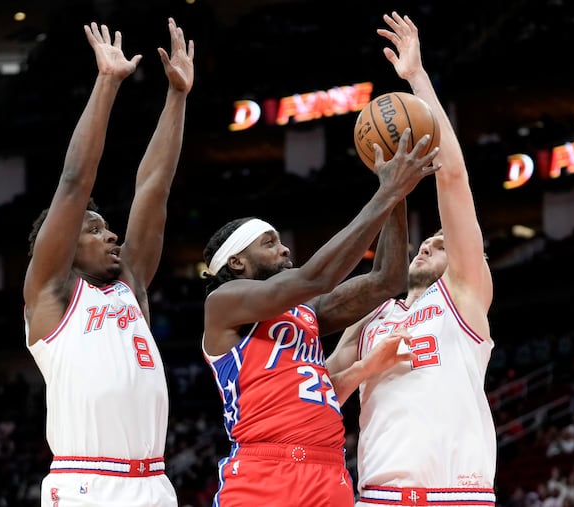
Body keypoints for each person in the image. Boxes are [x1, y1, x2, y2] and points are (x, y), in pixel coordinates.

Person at [200, 123, 440, 506]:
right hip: (265, 472)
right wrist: (386, 191)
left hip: (329, 471)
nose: (284, 251)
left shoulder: (304, 312)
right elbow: (316, 276)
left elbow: (385, 280)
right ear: (237, 261)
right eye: (270, 243)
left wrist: (399, 195)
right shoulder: (223, 303)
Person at [326, 11, 497, 507]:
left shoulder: (464, 296)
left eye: (440, 244)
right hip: (377, 497)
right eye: (428, 241)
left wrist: (417, 79)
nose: (426, 244)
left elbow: (454, 179)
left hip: (456, 497)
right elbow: (321, 394)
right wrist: (362, 370)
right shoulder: (371, 313)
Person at [23, 18, 193, 507]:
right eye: (93, 229)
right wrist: (107, 83)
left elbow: (154, 186)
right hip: (87, 484)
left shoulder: (129, 284)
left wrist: (177, 97)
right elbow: (75, 182)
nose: (110, 233)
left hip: (155, 484)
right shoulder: (51, 294)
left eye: (106, 226)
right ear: (61, 246)